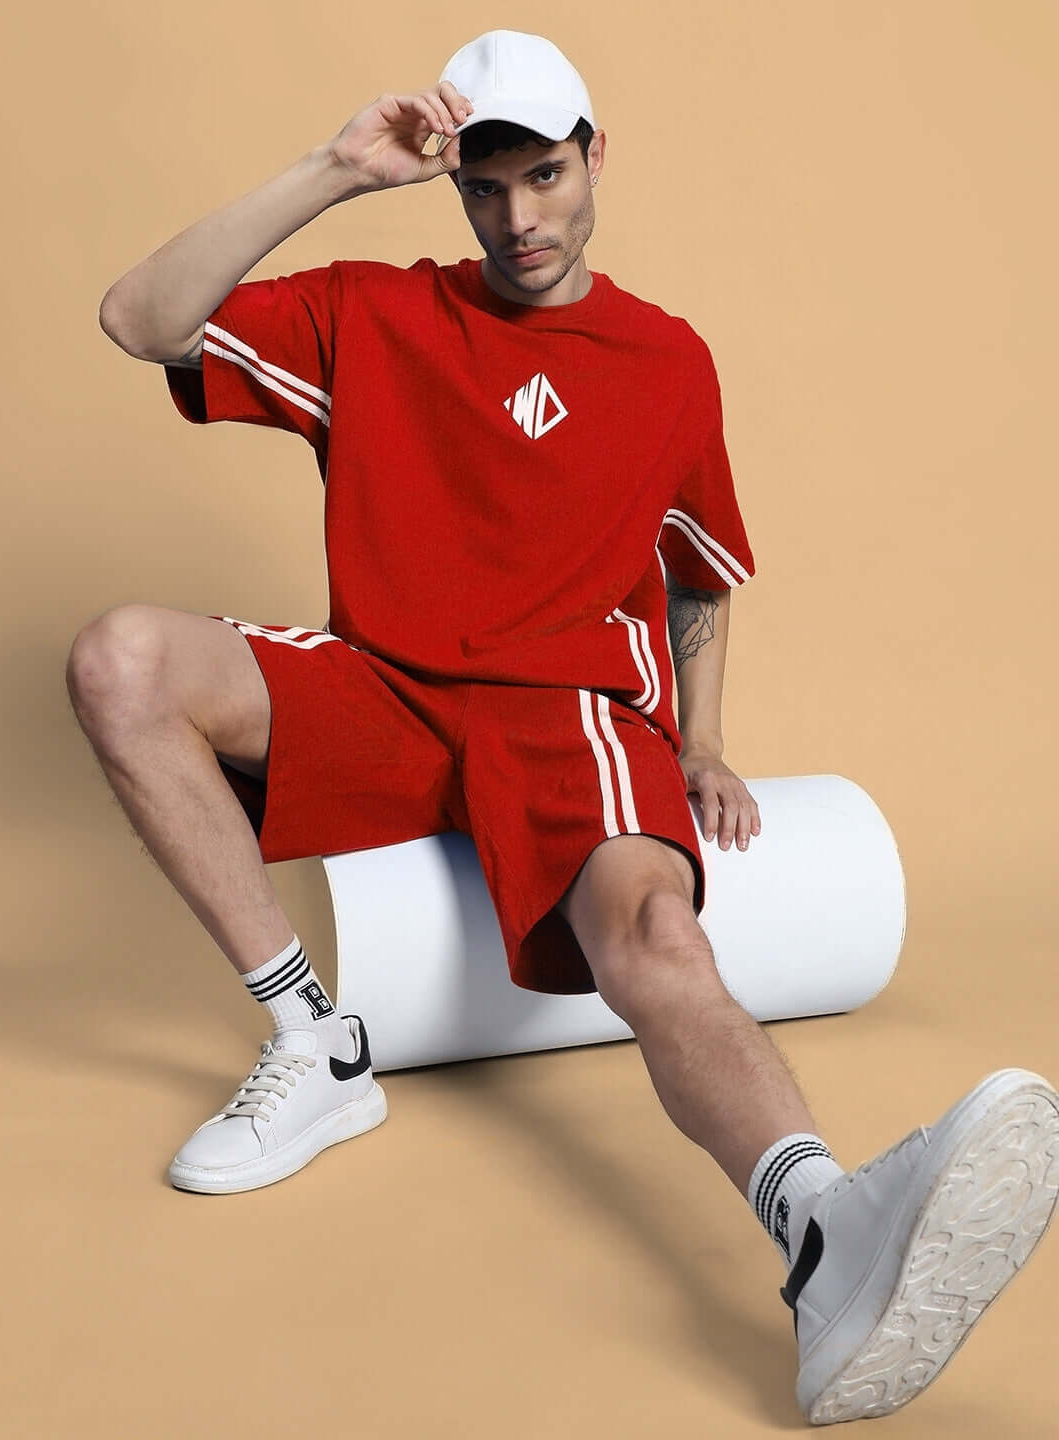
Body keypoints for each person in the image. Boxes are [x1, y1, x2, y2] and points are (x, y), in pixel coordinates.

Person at [73, 29, 1057, 1426]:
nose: (518, 220)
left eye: (544, 177)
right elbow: (140, 320)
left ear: (596, 159)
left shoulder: (666, 362)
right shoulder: (376, 310)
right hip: (391, 687)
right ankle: (314, 1047)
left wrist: (705, 742)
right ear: (454, 187)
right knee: (119, 659)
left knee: (654, 935)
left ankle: (825, 1233)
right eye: (486, 189)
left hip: (565, 716)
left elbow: (700, 564)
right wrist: (336, 173)